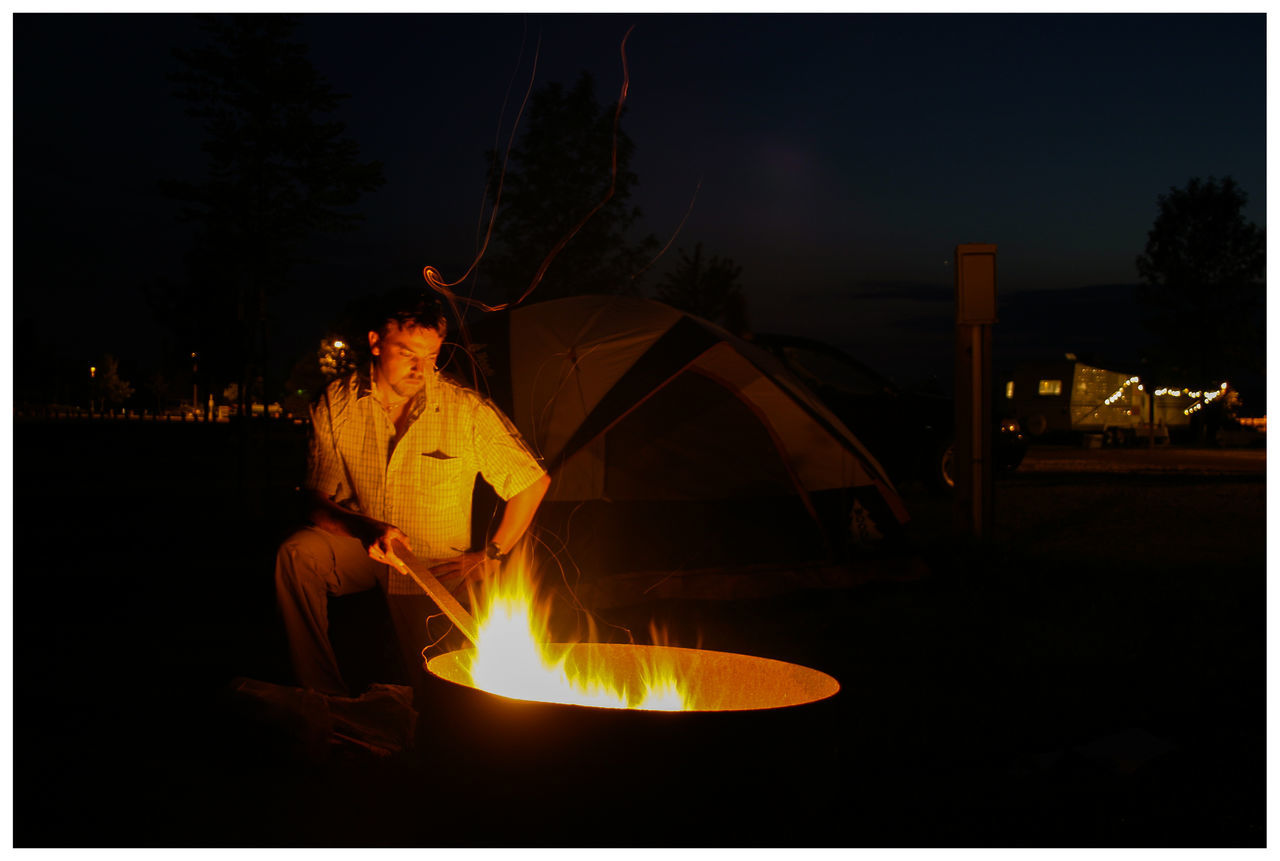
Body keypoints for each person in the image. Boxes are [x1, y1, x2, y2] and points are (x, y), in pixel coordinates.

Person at [274, 287, 550, 701]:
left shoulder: (465, 411)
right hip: (362, 543)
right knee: (297, 555)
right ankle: (324, 698)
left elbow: (531, 481)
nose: (421, 368)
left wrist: (491, 554)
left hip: (430, 564)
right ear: (375, 342)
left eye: (431, 356)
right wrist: (363, 528)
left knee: (433, 686)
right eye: (407, 353)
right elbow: (315, 500)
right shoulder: (336, 403)